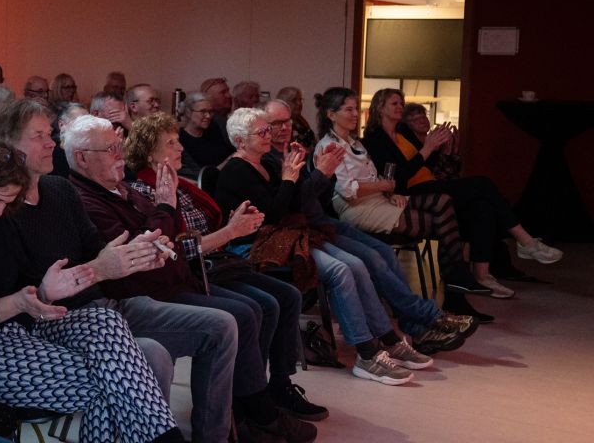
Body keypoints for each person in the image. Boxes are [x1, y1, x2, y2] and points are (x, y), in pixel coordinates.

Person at [0, 138, 183, 443]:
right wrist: (20, 302)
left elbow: (28, 288)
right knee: (110, 384)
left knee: (105, 321)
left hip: (16, 331)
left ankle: (163, 438)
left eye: (7, 203)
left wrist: (44, 292)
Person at [2, 105, 243, 443]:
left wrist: (135, 253)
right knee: (152, 353)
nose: (51, 143)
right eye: (39, 137)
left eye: (50, 134)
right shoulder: (3, 210)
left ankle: (212, 438)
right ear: (9, 147)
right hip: (58, 320)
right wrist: (111, 262)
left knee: (222, 325)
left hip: (105, 305)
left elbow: (100, 248)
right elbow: (87, 270)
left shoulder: (59, 190)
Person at [214, 107, 472, 384]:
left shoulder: (268, 162)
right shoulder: (235, 170)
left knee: (358, 263)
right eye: (262, 131)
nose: (270, 134)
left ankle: (388, 338)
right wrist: (293, 178)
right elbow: (273, 215)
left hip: (291, 235)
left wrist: (320, 173)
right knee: (340, 270)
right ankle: (367, 352)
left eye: (270, 128)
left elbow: (300, 202)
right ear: (240, 141)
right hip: (263, 246)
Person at [122, 112, 327, 432]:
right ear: (150, 154)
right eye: (171, 143)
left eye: (178, 141)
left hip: (215, 260)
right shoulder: (147, 192)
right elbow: (176, 249)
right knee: (253, 309)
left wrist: (233, 222)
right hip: (191, 270)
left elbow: (209, 229)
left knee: (282, 296)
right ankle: (247, 402)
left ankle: (270, 387)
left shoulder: (181, 185)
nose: (180, 149)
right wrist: (231, 230)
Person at [313, 87, 496, 319]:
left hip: (378, 200)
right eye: (348, 110)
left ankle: (455, 286)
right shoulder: (330, 146)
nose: (354, 114)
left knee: (443, 204)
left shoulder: (356, 143)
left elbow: (373, 177)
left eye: (355, 109)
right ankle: (453, 287)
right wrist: (384, 187)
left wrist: (389, 192)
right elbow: (349, 190)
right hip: (356, 208)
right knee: (440, 221)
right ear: (331, 114)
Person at [363, 89, 562, 298]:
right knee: (483, 184)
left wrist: (440, 148)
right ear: (379, 108)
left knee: (482, 208)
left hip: (428, 184)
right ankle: (525, 241)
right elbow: (399, 176)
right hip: (411, 192)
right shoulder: (376, 138)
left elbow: (424, 167)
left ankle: (482, 274)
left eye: (401, 103)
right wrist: (428, 148)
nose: (400, 106)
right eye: (394, 103)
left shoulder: (402, 133)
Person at [177, 91, 232, 175]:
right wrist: (229, 160)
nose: (208, 116)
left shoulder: (215, 127)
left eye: (210, 112)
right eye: (203, 111)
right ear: (188, 112)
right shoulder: (180, 139)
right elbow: (200, 176)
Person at [276, 86, 315, 151]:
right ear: (282, 103)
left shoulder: (300, 120)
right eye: (294, 100)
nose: (299, 103)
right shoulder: (278, 124)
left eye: (300, 100)